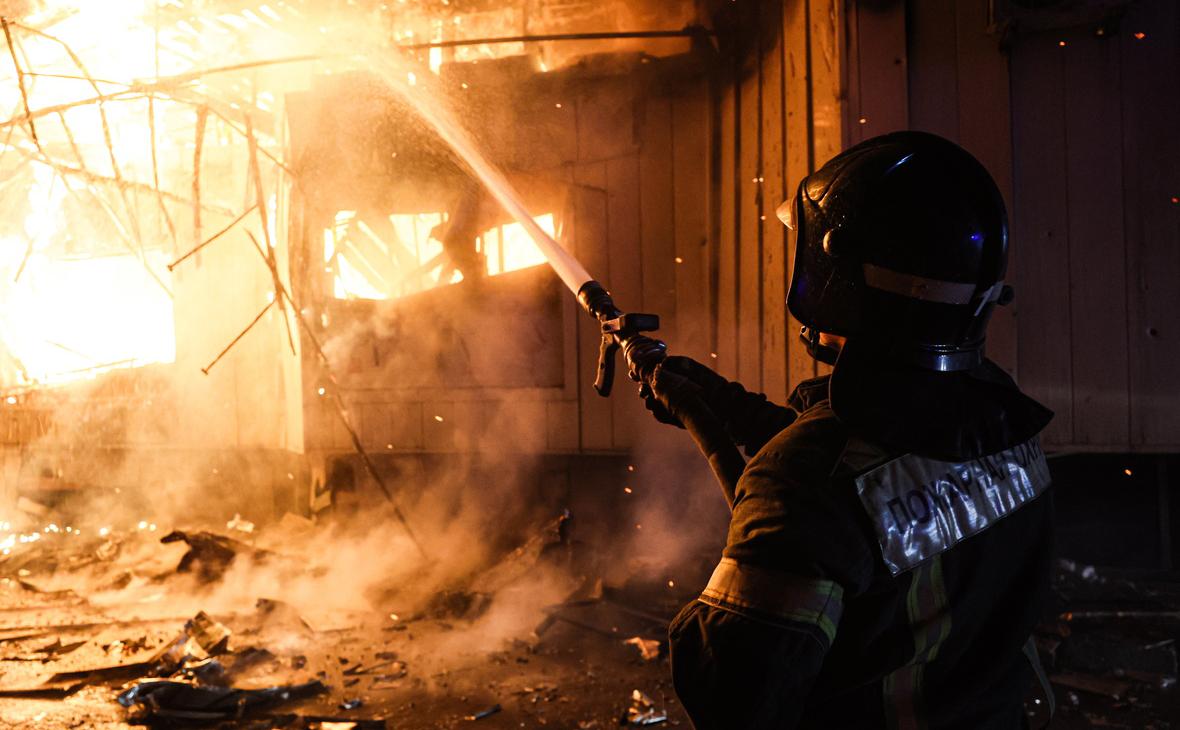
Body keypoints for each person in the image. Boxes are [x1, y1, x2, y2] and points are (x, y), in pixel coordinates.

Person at [641, 132, 1055, 729]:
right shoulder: (999, 411)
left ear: (844, 275)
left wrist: (761, 461)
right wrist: (717, 408)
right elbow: (873, 479)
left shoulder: (806, 478)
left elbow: (732, 691)